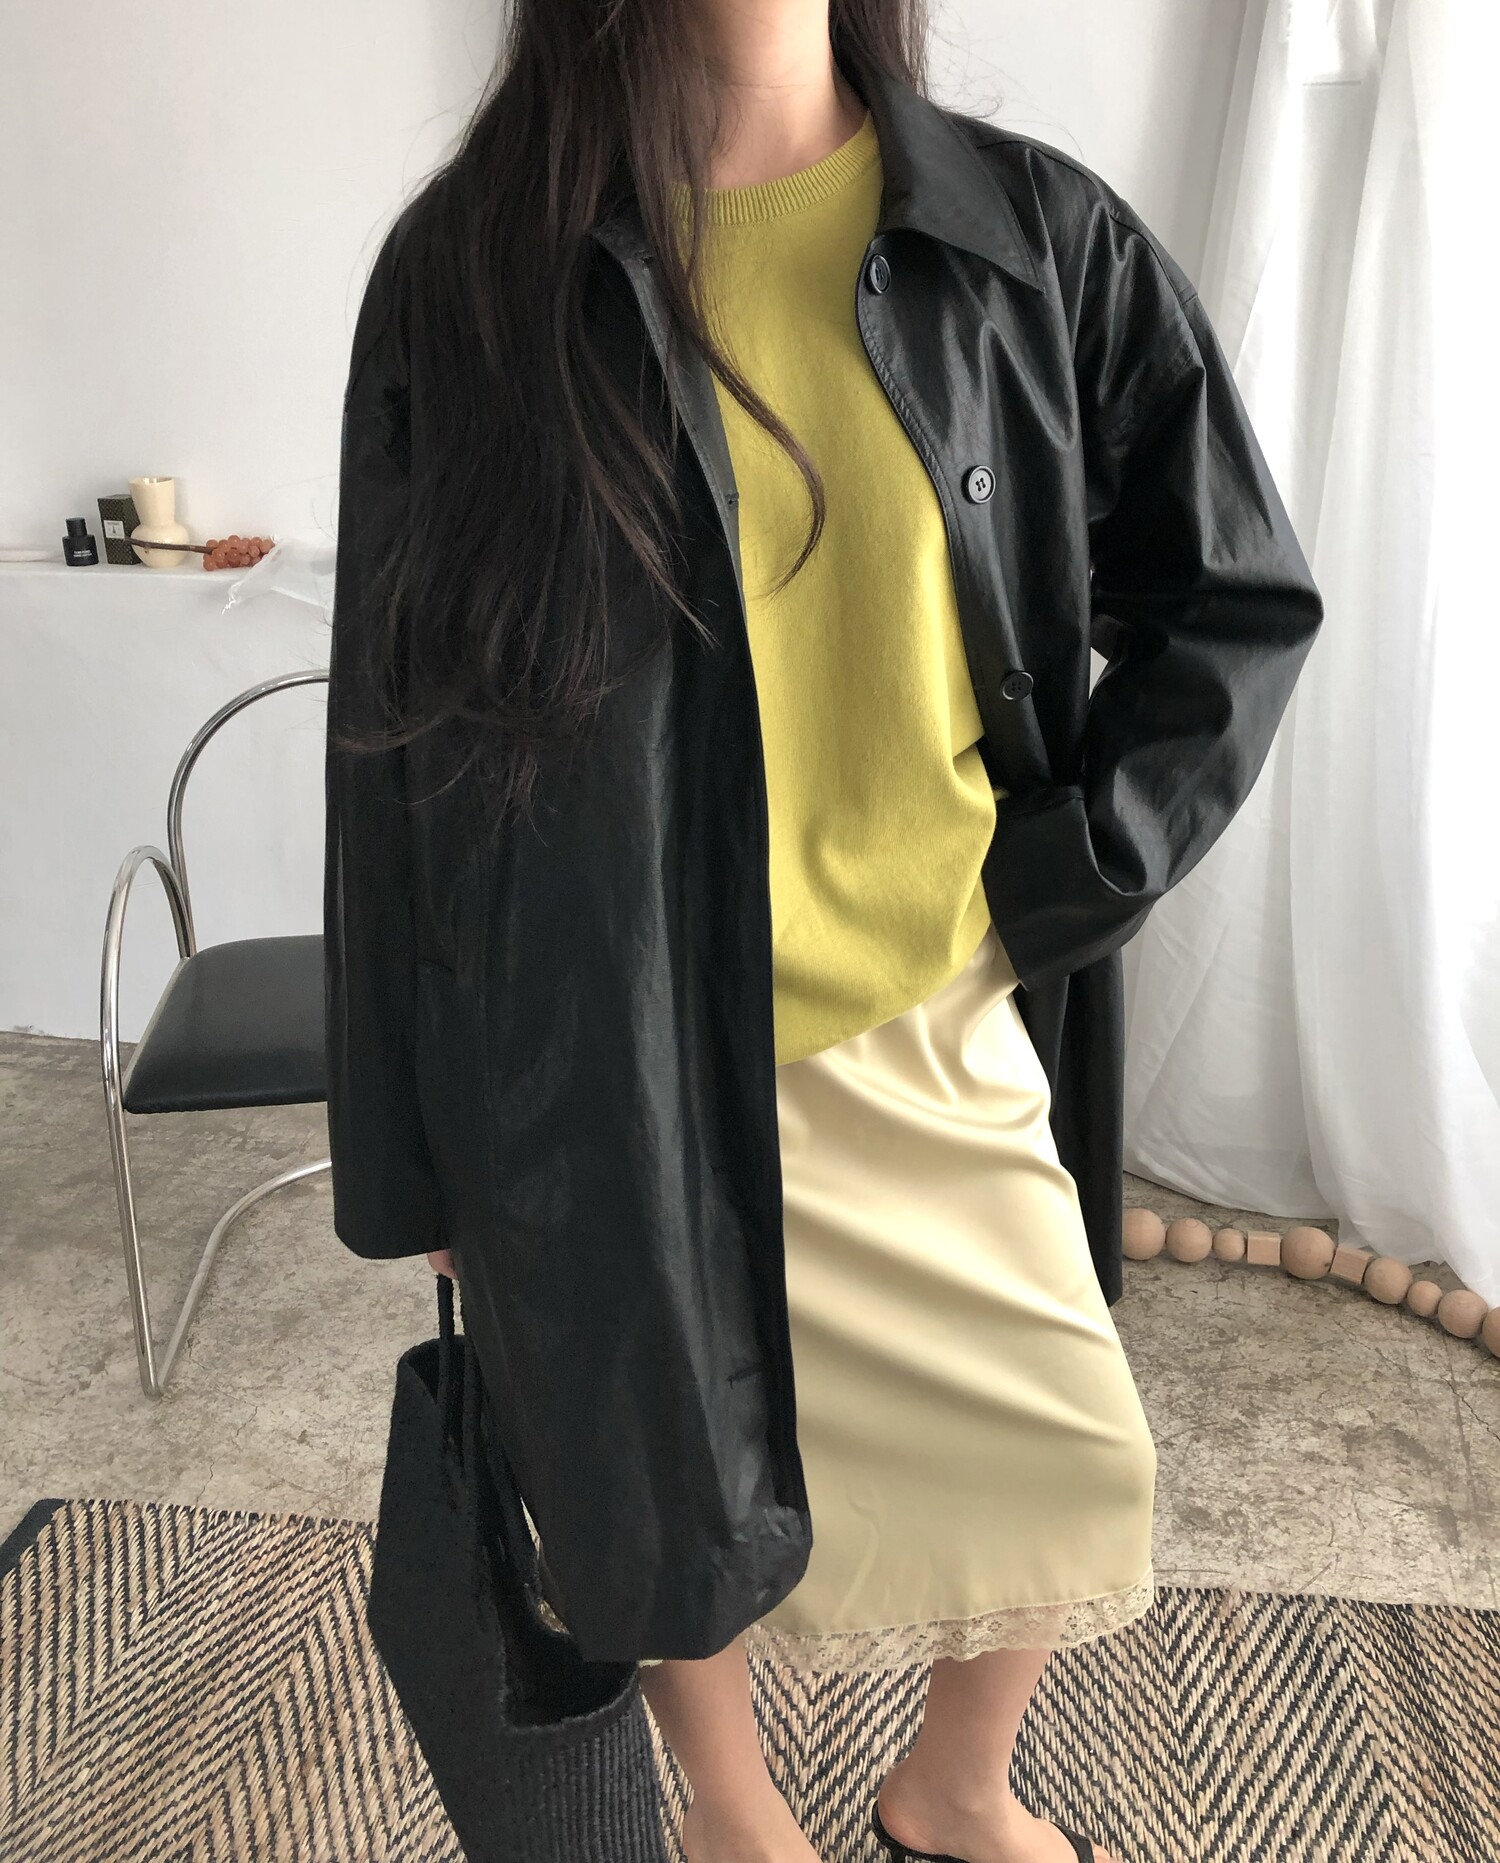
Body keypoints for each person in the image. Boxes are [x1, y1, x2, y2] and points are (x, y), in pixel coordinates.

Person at [324, 3, 1323, 1861]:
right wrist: (418, 1152)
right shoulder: (473, 270)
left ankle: (953, 1788)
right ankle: (733, 1810)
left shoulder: (1030, 238)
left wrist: (1060, 877)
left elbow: (1236, 598)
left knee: (1068, 1447)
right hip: (603, 1037)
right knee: (660, 1476)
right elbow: (395, 747)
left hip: (928, 1003)